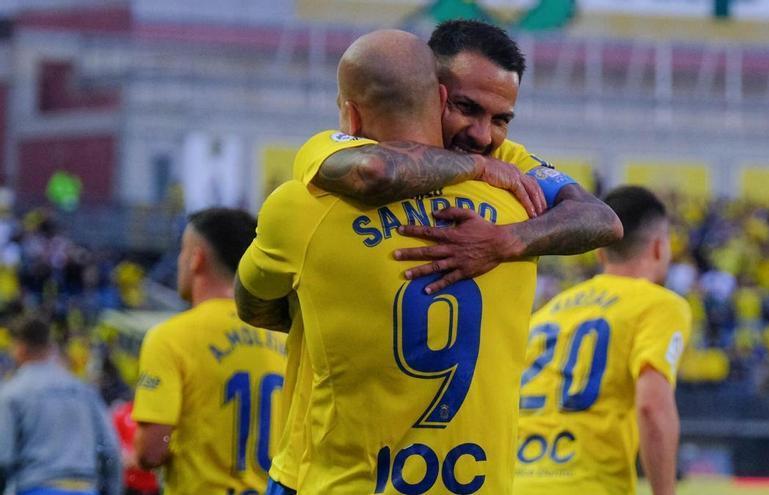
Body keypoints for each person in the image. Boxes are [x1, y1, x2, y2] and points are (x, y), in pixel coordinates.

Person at [237, 30, 546, 494]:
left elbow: (252, 305)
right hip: (474, 481)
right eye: (469, 109)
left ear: (350, 114)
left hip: (335, 480)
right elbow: (599, 219)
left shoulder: (303, 205)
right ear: (439, 98)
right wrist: (508, 235)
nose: (484, 134)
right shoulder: (520, 204)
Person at [293, 20, 622, 295]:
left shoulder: (508, 157)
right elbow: (375, 170)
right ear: (431, 92)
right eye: (466, 108)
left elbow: (601, 220)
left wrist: (504, 241)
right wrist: (478, 168)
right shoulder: (343, 145)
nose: (482, 135)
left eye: (500, 120)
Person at [513, 186, 692, 495]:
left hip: (515, 481)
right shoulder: (660, 304)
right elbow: (652, 406)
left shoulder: (548, 313)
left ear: (599, 251)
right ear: (660, 248)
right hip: (589, 483)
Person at [131, 208, 287, 495]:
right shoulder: (286, 338)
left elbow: (151, 451)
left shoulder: (170, 338)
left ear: (196, 258)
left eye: (182, 251)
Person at [0, 315, 122, 495]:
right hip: (85, 487)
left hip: (34, 485)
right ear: (50, 347)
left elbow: (3, 456)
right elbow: (110, 449)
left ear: (20, 348)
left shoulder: (12, 393)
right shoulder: (83, 390)